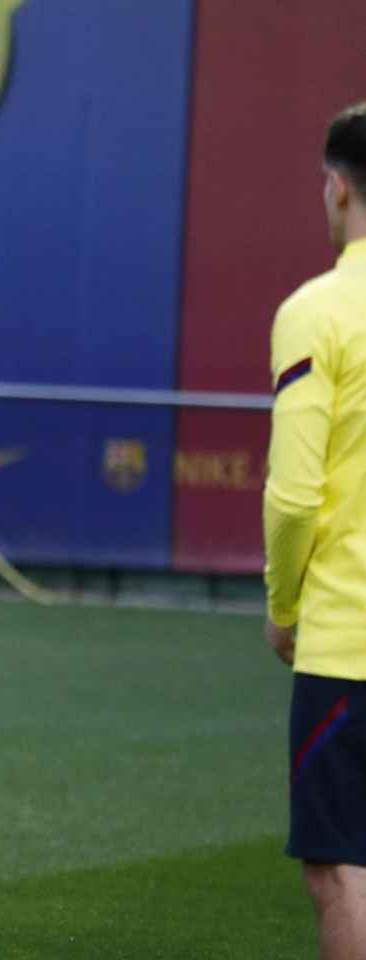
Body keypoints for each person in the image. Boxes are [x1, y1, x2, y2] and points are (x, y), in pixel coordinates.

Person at [263, 101, 366, 960]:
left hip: (351, 639)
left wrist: (283, 604)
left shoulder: (318, 309)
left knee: (343, 874)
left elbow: (295, 497)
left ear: (337, 188)